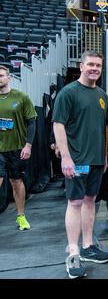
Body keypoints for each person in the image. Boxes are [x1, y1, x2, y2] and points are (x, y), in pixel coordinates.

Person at [52, 51, 108, 279]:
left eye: (98, 65)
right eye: (91, 65)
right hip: (76, 160)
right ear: (81, 66)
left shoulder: (102, 95)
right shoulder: (68, 93)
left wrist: (105, 156)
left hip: (96, 160)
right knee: (75, 202)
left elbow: (104, 130)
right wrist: (66, 157)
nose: (94, 68)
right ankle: (74, 252)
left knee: (90, 201)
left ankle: (88, 246)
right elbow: (58, 125)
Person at [0, 65, 36, 231]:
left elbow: (32, 122)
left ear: (9, 77)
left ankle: (21, 217)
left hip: (16, 148)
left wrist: (28, 145)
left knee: (16, 182)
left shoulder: (21, 97)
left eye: (1, 76)